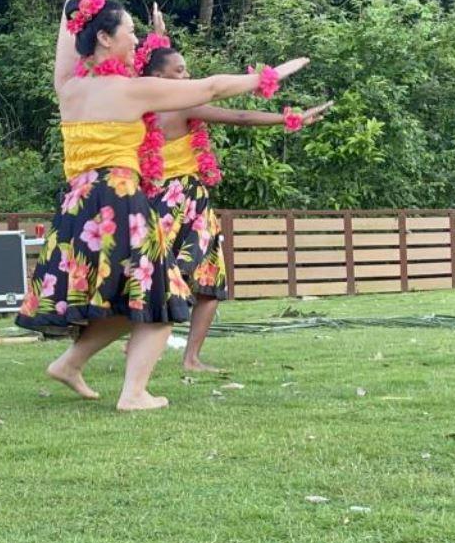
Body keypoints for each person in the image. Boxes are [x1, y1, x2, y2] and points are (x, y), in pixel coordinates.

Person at [15, 0, 309, 411]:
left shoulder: (68, 84)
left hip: (79, 204)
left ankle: (69, 363)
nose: (136, 38)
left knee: (125, 296)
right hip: (119, 199)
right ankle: (133, 393)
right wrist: (267, 76)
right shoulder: (133, 91)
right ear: (105, 38)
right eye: (129, 31)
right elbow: (210, 88)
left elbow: (67, 28)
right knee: (159, 296)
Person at [140, 44, 332, 371]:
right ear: (159, 76)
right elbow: (241, 117)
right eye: (180, 71)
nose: (188, 75)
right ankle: (189, 358)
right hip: (185, 200)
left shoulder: (138, 106)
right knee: (206, 280)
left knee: (152, 277)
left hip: (151, 201)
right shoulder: (184, 106)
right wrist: (290, 118)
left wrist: (158, 35)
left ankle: (144, 348)